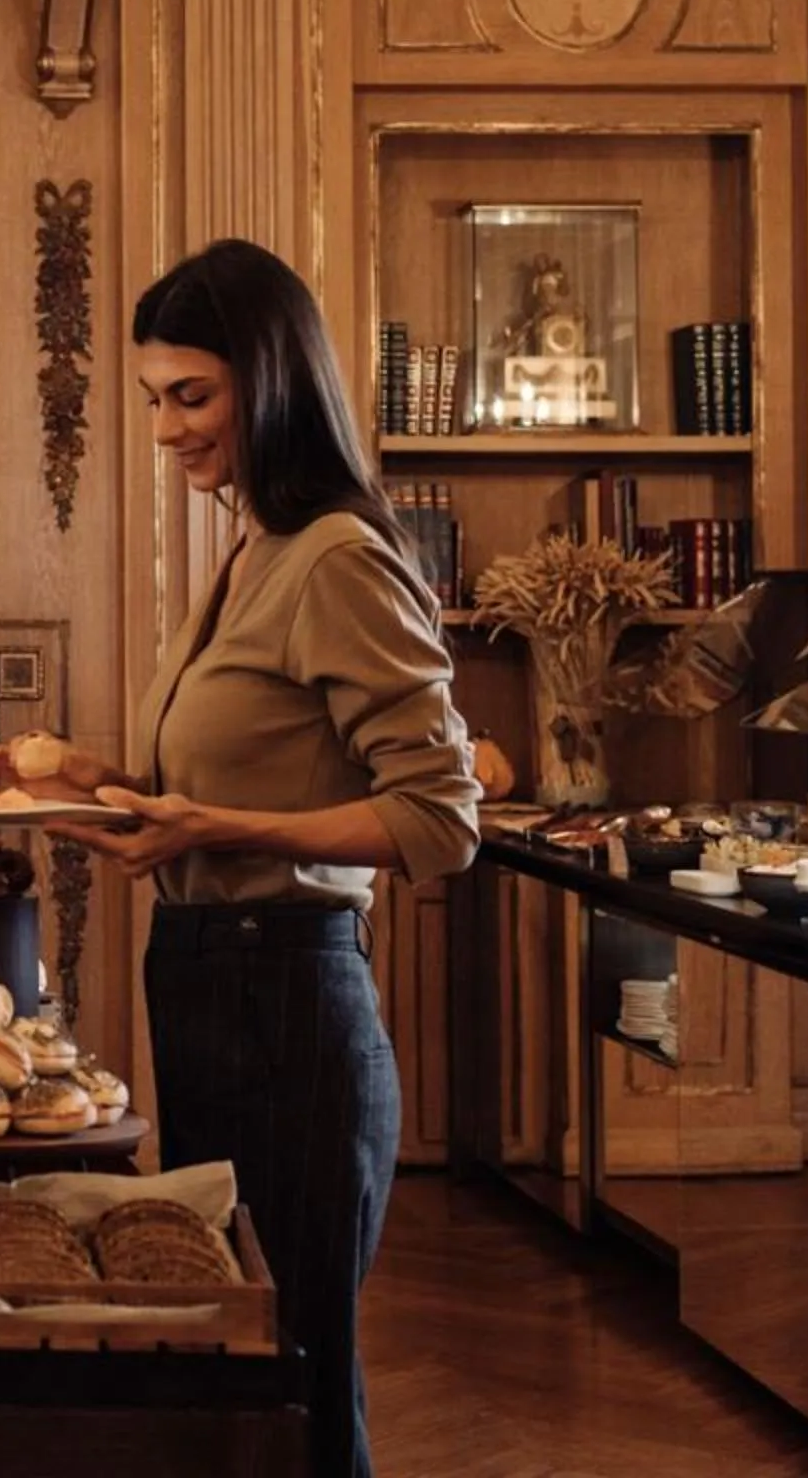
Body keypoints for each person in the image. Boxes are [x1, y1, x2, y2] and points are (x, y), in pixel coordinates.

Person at [48, 238, 480, 1478]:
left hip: (287, 1000)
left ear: (273, 381)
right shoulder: (251, 547)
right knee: (235, 1356)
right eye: (154, 398)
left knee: (294, 1371)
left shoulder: (338, 555)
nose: (167, 429)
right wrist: (94, 780)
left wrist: (216, 829)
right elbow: (231, 782)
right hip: (207, 978)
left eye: (195, 395)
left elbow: (438, 817)